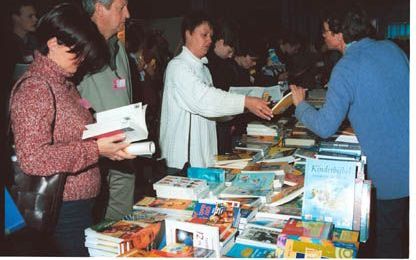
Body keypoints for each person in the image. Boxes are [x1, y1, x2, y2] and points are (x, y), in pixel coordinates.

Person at [9, 3, 135, 256]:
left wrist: (106, 143)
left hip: (79, 203)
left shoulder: (63, 83)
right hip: (61, 208)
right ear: (53, 43)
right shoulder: (36, 88)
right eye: (76, 53)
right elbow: (33, 158)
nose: (82, 60)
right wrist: (96, 149)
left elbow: (74, 129)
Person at [290, 5, 409, 258]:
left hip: (388, 175)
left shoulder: (346, 66)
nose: (322, 36)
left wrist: (300, 105)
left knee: (385, 243)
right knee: (399, 235)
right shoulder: (392, 48)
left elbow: (324, 127)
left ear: (339, 34)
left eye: (325, 31)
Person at [159, 10, 273, 173]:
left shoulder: (203, 68)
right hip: (182, 161)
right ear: (188, 34)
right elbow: (203, 100)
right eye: (204, 35)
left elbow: (216, 111)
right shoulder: (178, 67)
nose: (209, 41)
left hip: (203, 156)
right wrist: (245, 101)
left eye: (211, 36)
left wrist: (245, 107)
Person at [78, 0, 135, 221]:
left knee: (121, 213)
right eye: (121, 7)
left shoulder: (118, 48)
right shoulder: (77, 45)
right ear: (99, 8)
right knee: (93, 215)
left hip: (124, 147)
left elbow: (124, 89)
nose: (128, 14)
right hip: (92, 151)